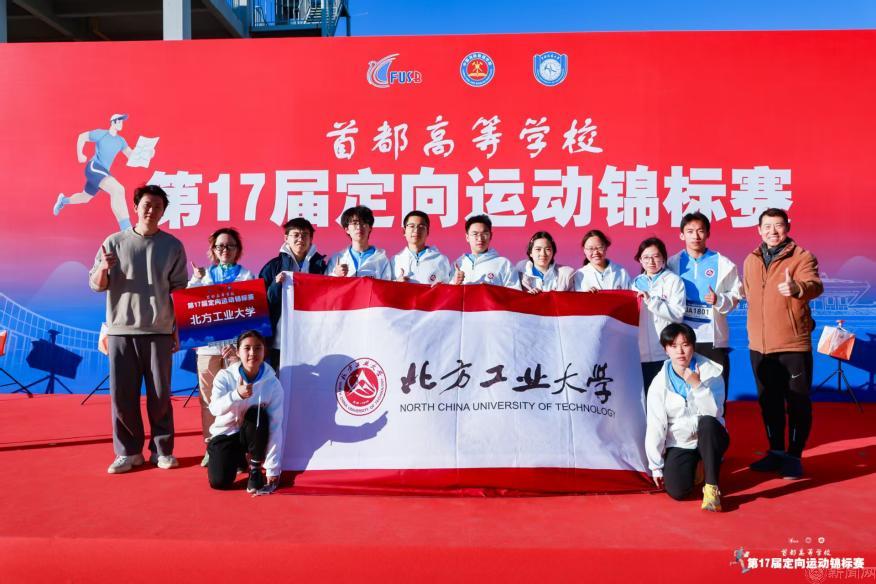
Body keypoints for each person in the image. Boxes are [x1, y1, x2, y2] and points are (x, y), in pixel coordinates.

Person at [89, 184, 188, 474]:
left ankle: (161, 450)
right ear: (135, 207)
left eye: (157, 206)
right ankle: (128, 452)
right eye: (146, 205)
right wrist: (103, 268)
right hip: (121, 331)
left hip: (159, 331)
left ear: (163, 212)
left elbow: (179, 291)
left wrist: (177, 329)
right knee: (122, 397)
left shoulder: (172, 246)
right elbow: (96, 285)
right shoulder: (114, 242)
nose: (151, 210)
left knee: (160, 396)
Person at [743, 208, 823, 480]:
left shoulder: (802, 256)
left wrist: (797, 288)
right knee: (769, 402)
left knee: (797, 403)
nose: (772, 231)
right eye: (767, 226)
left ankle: (794, 456)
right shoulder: (751, 260)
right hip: (760, 346)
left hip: (792, 344)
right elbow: (749, 295)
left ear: (787, 227)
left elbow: (815, 285)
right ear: (759, 230)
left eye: (778, 226)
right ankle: (776, 451)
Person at [188, 228, 254, 467]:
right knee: (208, 398)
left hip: (235, 349)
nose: (224, 250)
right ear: (213, 250)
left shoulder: (247, 276)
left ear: (238, 250)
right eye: (220, 246)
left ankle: (239, 449)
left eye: (229, 246)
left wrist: (239, 346)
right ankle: (212, 446)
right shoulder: (204, 276)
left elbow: (252, 312)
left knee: (239, 396)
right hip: (207, 348)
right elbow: (189, 305)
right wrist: (196, 279)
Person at [646, 323, 728, 512]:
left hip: (710, 436)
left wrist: (698, 386)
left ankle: (711, 487)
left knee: (707, 423)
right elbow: (655, 425)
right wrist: (656, 465)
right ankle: (698, 465)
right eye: (673, 346)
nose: (680, 351)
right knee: (678, 491)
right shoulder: (659, 384)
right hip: (681, 442)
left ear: (693, 346)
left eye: (685, 344)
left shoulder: (712, 372)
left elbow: (715, 413)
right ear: (666, 350)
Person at [667, 212, 742, 395]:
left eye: (700, 231)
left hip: (712, 338)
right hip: (682, 338)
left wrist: (719, 299)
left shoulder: (723, 263)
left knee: (715, 389)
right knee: (682, 390)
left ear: (708, 233)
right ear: (681, 235)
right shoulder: (672, 264)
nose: (696, 236)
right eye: (690, 231)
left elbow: (736, 294)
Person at [207, 330, 284, 494]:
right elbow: (214, 409)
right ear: (237, 352)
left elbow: (276, 426)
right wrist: (236, 395)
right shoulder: (224, 376)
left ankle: (255, 467)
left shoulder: (273, 384)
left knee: (258, 414)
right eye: (247, 348)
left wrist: (272, 468)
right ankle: (238, 459)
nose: (252, 353)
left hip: (252, 435)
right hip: (226, 433)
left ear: (264, 351)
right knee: (219, 482)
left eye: (258, 348)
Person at [259, 217, 328, 370]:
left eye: (305, 235)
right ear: (286, 238)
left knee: (308, 378)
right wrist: (276, 285)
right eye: (295, 235)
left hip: (311, 338)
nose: (300, 239)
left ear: (311, 239)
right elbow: (263, 303)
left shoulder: (320, 267)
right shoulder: (272, 267)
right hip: (279, 340)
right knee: (277, 378)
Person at [54, 114, 135, 230]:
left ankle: (63, 200)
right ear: (113, 122)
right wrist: (80, 155)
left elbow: (131, 156)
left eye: (122, 121)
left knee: (85, 197)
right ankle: (126, 228)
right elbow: (82, 137)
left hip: (103, 172)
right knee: (118, 189)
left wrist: (148, 154)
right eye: (119, 121)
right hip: (94, 167)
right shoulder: (101, 134)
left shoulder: (121, 141)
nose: (121, 124)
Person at [631, 237, 686, 393]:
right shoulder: (635, 283)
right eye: (646, 257)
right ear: (640, 260)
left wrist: (652, 301)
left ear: (663, 258)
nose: (651, 261)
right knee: (646, 397)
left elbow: (678, 314)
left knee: (668, 396)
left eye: (656, 256)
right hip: (641, 353)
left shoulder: (674, 281)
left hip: (665, 352)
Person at [451, 215, 520, 288]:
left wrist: (489, 291)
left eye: (484, 234)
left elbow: (515, 293)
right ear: (467, 237)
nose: (480, 238)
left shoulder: (503, 264)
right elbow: (447, 292)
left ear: (491, 236)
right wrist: (454, 284)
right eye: (475, 234)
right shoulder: (458, 264)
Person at [326, 206, 392, 280]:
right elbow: (327, 284)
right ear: (347, 229)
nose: (359, 227)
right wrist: (335, 274)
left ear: (370, 228)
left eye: (363, 223)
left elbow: (386, 285)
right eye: (354, 223)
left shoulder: (382, 259)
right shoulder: (337, 258)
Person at [391, 210, 452, 284]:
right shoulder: (395, 260)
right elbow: (385, 288)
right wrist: (396, 284)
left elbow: (448, 287)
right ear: (404, 231)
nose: (416, 230)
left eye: (421, 226)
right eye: (411, 226)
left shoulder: (440, 259)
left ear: (427, 232)